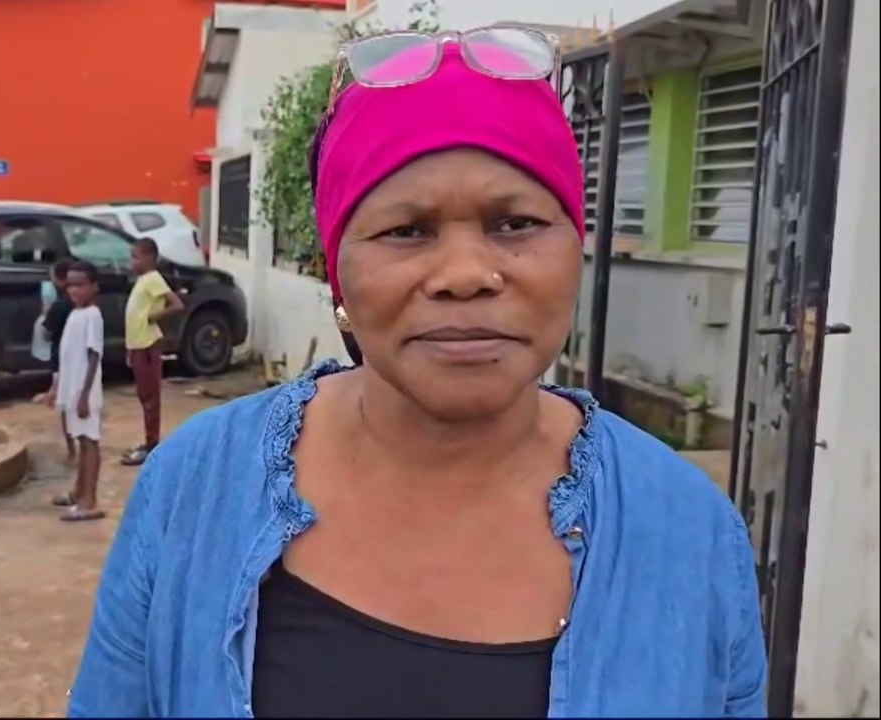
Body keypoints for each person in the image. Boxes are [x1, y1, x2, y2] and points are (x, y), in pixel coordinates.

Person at [67, 32, 766, 718]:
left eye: (515, 223)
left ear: (574, 250)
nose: (465, 275)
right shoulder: (195, 487)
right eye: (407, 231)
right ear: (337, 270)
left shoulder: (689, 531)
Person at [50, 261, 105, 522]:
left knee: (89, 442)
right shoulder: (75, 314)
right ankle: (79, 491)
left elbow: (94, 355)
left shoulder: (92, 315)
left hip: (85, 390)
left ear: (94, 287)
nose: (74, 290)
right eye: (70, 284)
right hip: (73, 388)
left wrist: (84, 394)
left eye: (80, 285)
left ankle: (89, 500)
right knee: (82, 441)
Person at [120, 237, 183, 466]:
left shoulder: (154, 279)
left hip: (148, 345)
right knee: (144, 396)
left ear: (149, 257)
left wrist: (154, 316)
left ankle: (152, 445)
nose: (132, 262)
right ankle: (149, 441)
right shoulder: (143, 280)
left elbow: (176, 304)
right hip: (138, 345)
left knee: (150, 398)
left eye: (135, 257)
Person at [42, 260, 77, 463]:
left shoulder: (58, 306)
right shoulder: (78, 303)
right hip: (76, 359)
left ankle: (72, 449)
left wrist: (45, 314)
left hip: (61, 360)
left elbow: (46, 334)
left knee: (65, 406)